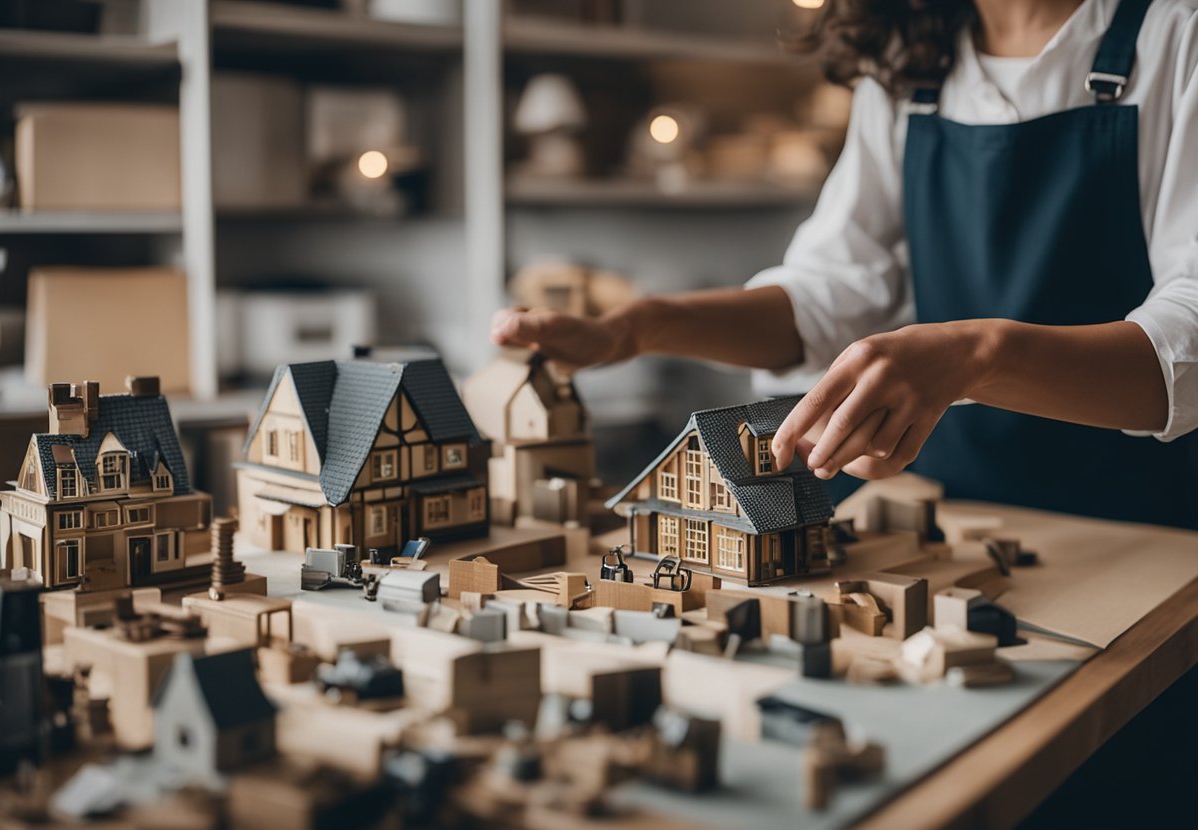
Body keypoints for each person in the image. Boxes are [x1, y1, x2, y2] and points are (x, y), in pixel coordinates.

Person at [491, 0, 1198, 530]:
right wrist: (634, 329)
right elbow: (832, 292)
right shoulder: (908, 65)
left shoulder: (1178, 34)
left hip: (1147, 524)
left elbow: (1188, 334)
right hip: (954, 518)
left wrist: (978, 354)